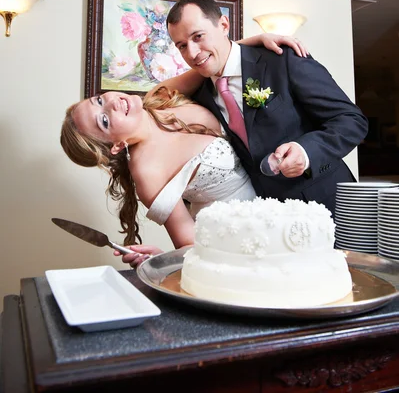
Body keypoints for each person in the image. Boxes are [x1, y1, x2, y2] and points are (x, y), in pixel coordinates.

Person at [60, 33, 306, 267]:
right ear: (115, 145)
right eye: (103, 121)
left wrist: (259, 39)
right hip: (238, 241)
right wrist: (165, 259)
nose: (112, 103)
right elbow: (188, 243)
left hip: (279, 203)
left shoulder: (158, 97)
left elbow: (211, 61)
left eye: (99, 100)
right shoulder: (148, 172)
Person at [165, 0, 369, 220]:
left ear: (224, 25)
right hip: (267, 220)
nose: (192, 53)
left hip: (330, 207)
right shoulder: (200, 95)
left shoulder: (282, 60)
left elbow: (351, 120)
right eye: (182, 46)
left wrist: (306, 151)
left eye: (198, 36)